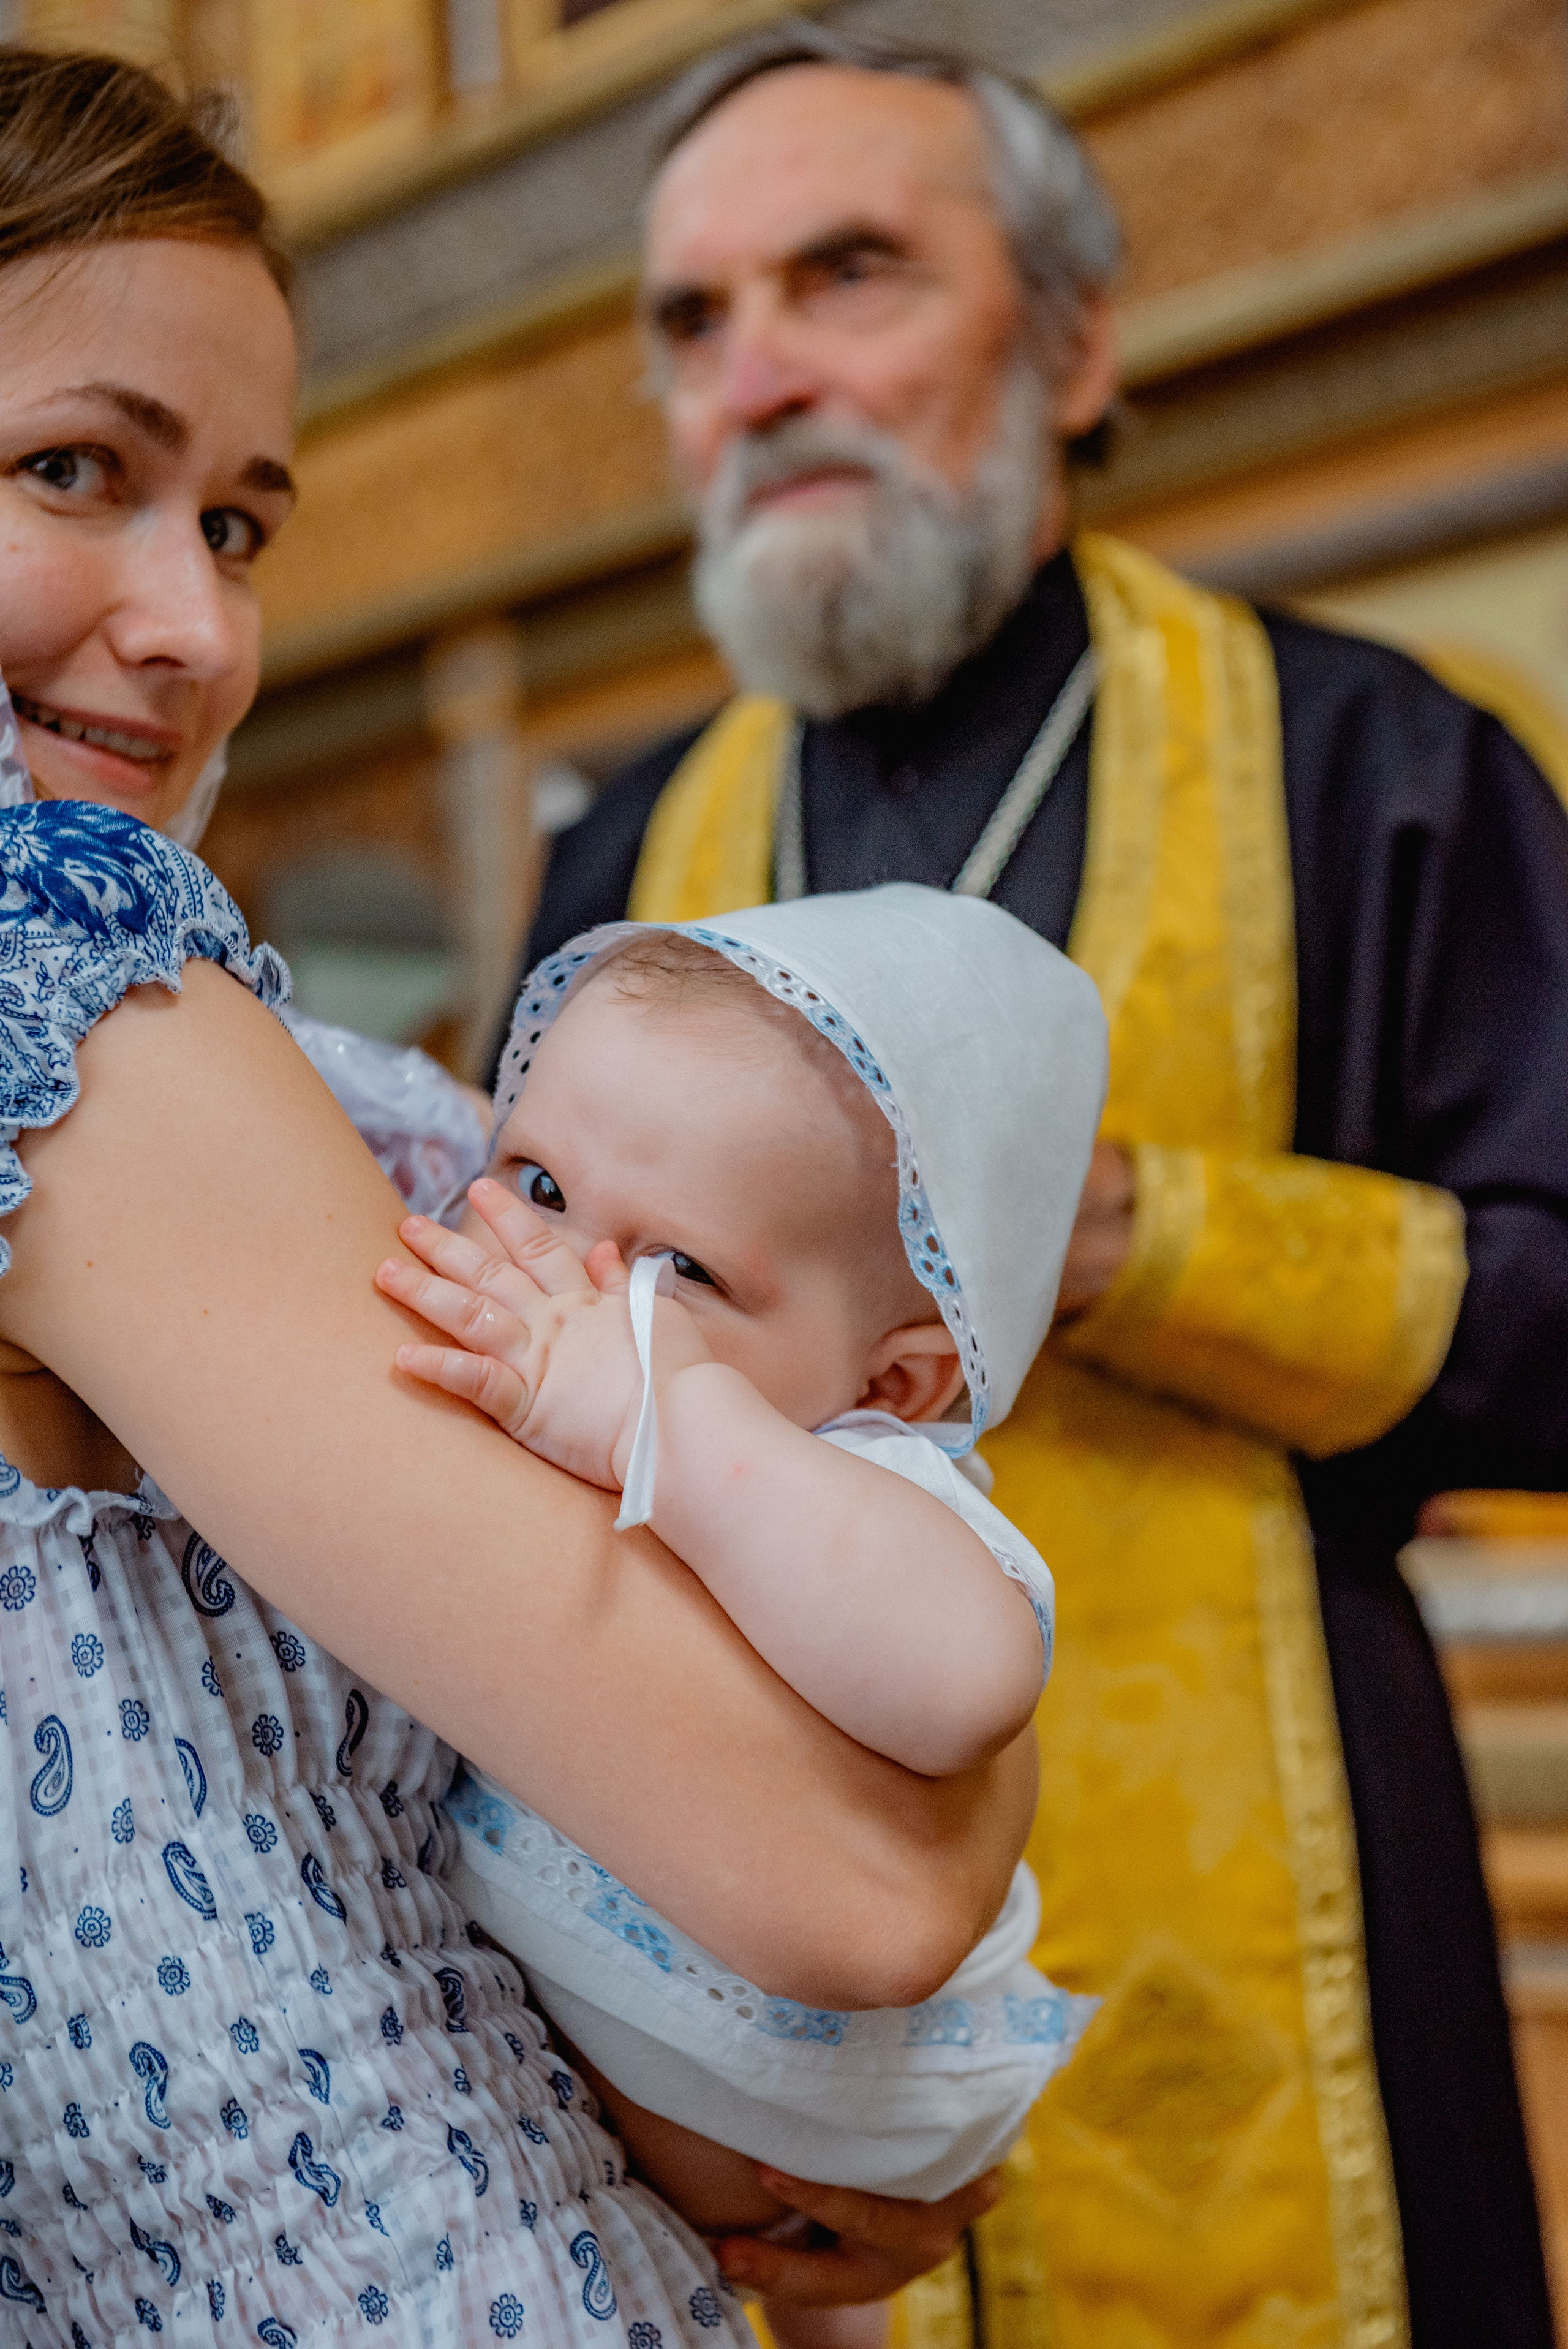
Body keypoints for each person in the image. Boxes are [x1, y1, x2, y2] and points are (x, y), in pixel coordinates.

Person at [512, 23, 1568, 2349]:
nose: (759, 370)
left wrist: (1146, 1239)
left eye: (849, 273)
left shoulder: (1373, 764)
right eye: (694, 321)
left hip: (1275, 1933)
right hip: (740, 1983)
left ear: (1079, 341)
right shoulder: (621, 858)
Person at [0, 43, 1031, 2343]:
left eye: (243, 523)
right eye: (77, 471)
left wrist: (768, 2095)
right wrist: (923, 1776)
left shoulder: (317, 1074)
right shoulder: (45, 966)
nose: (196, 626)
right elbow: (856, 1866)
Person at [377, 887, 1106, 2349]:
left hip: (803, 2093)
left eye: (682, 1270)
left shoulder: (851, 1476)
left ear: (889, 1384)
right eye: (534, 1183)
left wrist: (672, 1412)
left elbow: (968, 1680)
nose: (564, 1275)